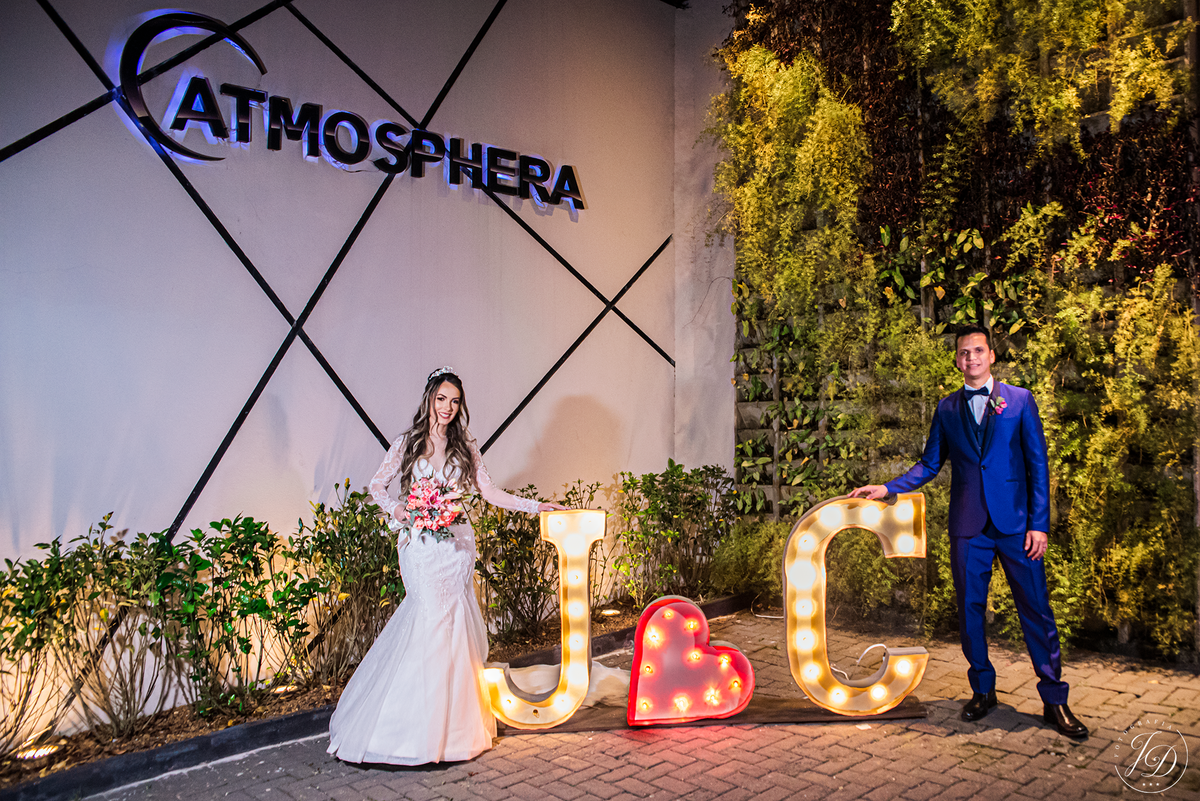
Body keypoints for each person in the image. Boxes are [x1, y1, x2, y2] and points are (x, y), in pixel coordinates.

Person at [850, 326, 1087, 738]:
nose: (971, 358)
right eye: (964, 352)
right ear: (957, 360)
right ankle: (982, 691)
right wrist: (887, 488)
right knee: (970, 611)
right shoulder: (946, 409)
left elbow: (1038, 466)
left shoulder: (1020, 400)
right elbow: (930, 464)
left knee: (1036, 610)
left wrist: (1039, 524)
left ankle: (1055, 700)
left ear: (991, 355)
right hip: (968, 526)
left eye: (978, 350)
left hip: (1016, 526)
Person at [327, 366, 567, 765]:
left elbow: (489, 491)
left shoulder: (464, 446)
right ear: (429, 399)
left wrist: (536, 506)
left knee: (452, 624)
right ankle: (406, 730)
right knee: (429, 617)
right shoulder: (407, 442)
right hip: (421, 546)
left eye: (455, 401)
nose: (448, 408)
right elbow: (376, 485)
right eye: (441, 399)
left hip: (456, 546)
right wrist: (399, 510)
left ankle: (454, 731)